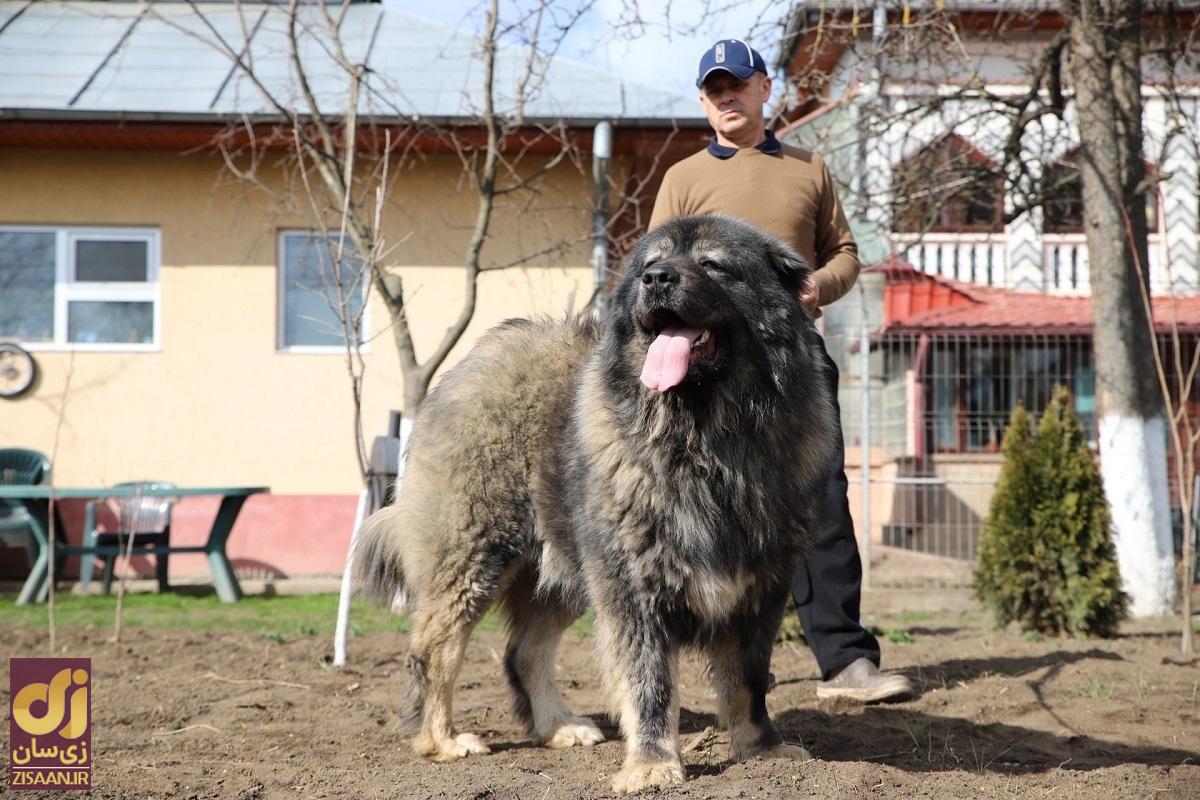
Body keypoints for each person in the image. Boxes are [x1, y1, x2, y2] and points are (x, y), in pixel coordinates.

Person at [649, 39, 912, 703]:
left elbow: (846, 253)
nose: (725, 97)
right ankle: (740, 670)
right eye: (713, 89)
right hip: (705, 369)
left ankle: (847, 663)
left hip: (793, 361)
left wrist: (817, 287)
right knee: (719, 505)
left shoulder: (809, 169)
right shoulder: (683, 179)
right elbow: (654, 270)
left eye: (736, 83)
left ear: (767, 88)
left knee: (820, 498)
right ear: (702, 101)